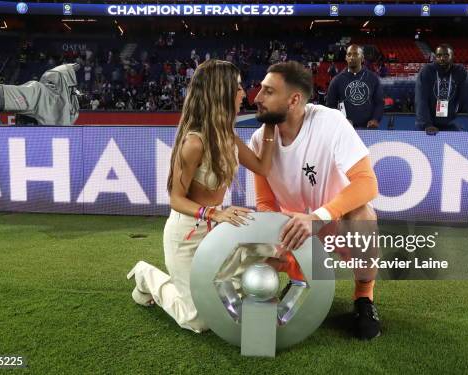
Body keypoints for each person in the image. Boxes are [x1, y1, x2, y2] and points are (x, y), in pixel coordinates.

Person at [126, 60, 277, 333]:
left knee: (267, 249)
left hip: (217, 230)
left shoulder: (227, 136)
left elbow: (262, 166)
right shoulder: (193, 143)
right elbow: (175, 198)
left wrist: (268, 125)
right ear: (222, 92)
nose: (244, 93)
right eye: (239, 87)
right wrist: (214, 213)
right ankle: (145, 277)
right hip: (187, 236)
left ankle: (226, 289)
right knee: (197, 320)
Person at [250, 61, 381, 340]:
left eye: (267, 91)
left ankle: (363, 298)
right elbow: (264, 201)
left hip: (332, 221)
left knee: (363, 217)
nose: (257, 98)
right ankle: (299, 279)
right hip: (294, 227)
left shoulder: (330, 122)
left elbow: (367, 183)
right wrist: (277, 235)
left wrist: (319, 216)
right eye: (260, 90)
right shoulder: (259, 140)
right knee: (255, 258)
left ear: (294, 99)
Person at [415, 44, 468, 135]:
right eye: (438, 56)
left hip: (449, 123)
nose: (442, 58)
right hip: (426, 125)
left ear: (453, 56)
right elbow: (421, 99)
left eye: (446, 55)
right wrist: (427, 124)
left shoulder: (460, 72)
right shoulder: (427, 71)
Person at [326, 45, 384, 129]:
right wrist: (341, 120)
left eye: (355, 54)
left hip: (368, 129)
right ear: (346, 58)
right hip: (344, 129)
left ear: (362, 58)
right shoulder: (337, 80)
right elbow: (330, 106)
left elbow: (379, 103)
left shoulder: (373, 78)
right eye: (349, 55)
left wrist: (375, 119)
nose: (352, 57)